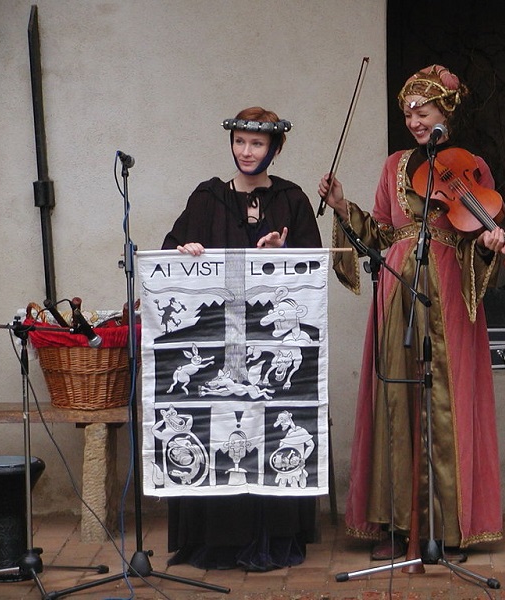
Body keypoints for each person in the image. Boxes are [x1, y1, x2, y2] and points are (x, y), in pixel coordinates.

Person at [317, 64, 505, 560]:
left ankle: (448, 530)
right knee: (396, 399)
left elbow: (478, 234)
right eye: (408, 114)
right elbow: (381, 233)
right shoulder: (394, 166)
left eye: (422, 112)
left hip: (448, 290)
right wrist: (341, 205)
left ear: (445, 112)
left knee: (447, 403)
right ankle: (396, 526)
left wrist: (491, 244)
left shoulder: (472, 165)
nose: (414, 121)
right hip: (398, 287)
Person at [162, 106, 322, 571]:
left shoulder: (291, 199)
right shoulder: (207, 198)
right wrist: (186, 251)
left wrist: (283, 254)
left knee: (268, 429)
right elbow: (171, 252)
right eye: (239, 141)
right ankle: (214, 540)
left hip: (270, 348)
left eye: (256, 143)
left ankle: (274, 536)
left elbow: (313, 267)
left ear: (274, 148)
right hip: (216, 344)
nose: (246, 151)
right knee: (215, 426)